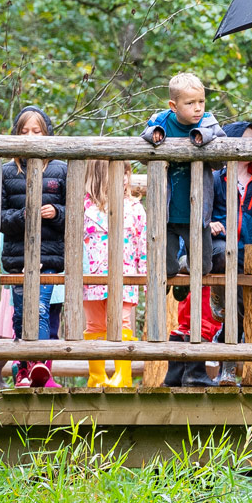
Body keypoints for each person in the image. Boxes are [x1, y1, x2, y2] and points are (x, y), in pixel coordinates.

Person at [143, 73, 226, 388]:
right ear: (173, 105)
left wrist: (201, 140)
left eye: (201, 101)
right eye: (190, 103)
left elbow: (218, 142)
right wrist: (159, 136)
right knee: (164, 267)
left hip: (197, 212)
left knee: (203, 266)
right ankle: (176, 274)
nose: (197, 108)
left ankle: (184, 276)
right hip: (167, 211)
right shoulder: (162, 119)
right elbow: (148, 132)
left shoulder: (207, 121)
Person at [0, 106, 70, 388]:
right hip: (18, 254)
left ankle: (38, 366)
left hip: (50, 254)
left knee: (43, 308)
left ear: (48, 134)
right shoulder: (6, 171)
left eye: (36, 132)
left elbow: (73, 214)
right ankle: (25, 369)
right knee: (22, 311)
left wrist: (57, 212)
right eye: (24, 132)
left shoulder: (61, 169)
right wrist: (23, 215)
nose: (30, 137)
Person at [82, 164, 146, 390]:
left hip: (125, 274)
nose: (125, 178)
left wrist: (144, 275)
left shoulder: (135, 207)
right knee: (94, 324)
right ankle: (97, 376)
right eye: (117, 173)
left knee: (123, 321)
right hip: (92, 275)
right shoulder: (85, 208)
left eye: (126, 173)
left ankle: (123, 374)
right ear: (99, 177)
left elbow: (142, 244)